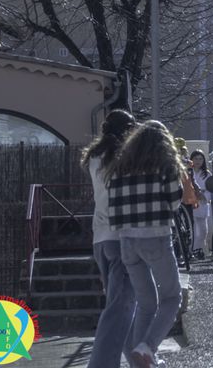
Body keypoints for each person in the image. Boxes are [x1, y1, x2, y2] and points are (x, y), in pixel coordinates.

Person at [107, 120, 183, 368]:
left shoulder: (120, 166)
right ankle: (148, 347)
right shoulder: (164, 163)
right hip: (156, 237)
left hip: (127, 241)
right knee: (172, 297)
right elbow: (174, 199)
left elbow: (112, 205)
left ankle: (142, 362)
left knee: (146, 301)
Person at [81, 109, 136, 368]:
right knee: (120, 309)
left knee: (122, 308)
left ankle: (142, 361)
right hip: (121, 236)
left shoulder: (95, 156)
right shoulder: (124, 157)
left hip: (100, 238)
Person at [189, 150, 211, 260]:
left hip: (202, 203)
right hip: (191, 203)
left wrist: (203, 195)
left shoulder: (207, 174)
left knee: (203, 231)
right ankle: (192, 251)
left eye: (200, 159)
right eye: (196, 158)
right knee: (192, 230)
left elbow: (211, 189)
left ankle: (198, 249)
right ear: (191, 159)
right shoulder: (188, 172)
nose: (198, 161)